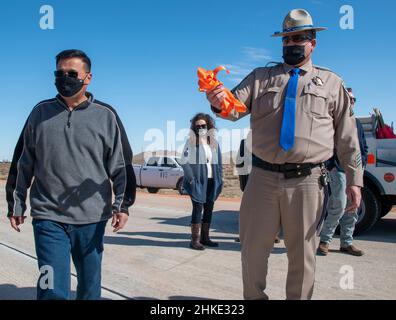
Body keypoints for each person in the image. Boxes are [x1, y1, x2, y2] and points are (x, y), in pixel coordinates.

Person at [206, 9, 363, 299]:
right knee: (252, 252)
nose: (292, 44)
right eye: (287, 39)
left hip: (308, 181)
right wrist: (217, 100)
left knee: (302, 258)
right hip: (262, 178)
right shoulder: (260, 77)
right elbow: (232, 110)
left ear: (313, 42)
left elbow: (347, 137)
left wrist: (355, 180)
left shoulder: (331, 83)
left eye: (299, 38)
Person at [5, 49, 136, 300]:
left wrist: (123, 204)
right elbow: (23, 162)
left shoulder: (106, 115)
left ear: (88, 78)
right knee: (51, 288)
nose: (64, 78)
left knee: (89, 289)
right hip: (48, 216)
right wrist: (16, 203)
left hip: (92, 218)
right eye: (59, 73)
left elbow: (121, 166)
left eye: (72, 73)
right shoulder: (39, 113)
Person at [318, 88, 368, 256]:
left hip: (356, 171)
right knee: (338, 205)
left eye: (354, 100)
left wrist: (363, 167)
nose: (352, 102)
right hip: (338, 169)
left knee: (353, 206)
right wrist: (331, 165)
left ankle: (346, 243)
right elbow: (325, 145)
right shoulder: (333, 121)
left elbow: (363, 147)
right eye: (350, 99)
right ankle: (324, 241)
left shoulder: (357, 123)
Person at [181, 113, 223, 250]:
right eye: (198, 126)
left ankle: (205, 238)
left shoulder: (213, 142)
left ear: (208, 126)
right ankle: (194, 240)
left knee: (209, 209)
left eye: (203, 125)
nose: (201, 128)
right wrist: (191, 179)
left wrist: (220, 178)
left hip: (212, 180)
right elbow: (184, 161)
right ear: (194, 127)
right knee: (198, 209)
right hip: (198, 181)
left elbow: (219, 161)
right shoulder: (191, 142)